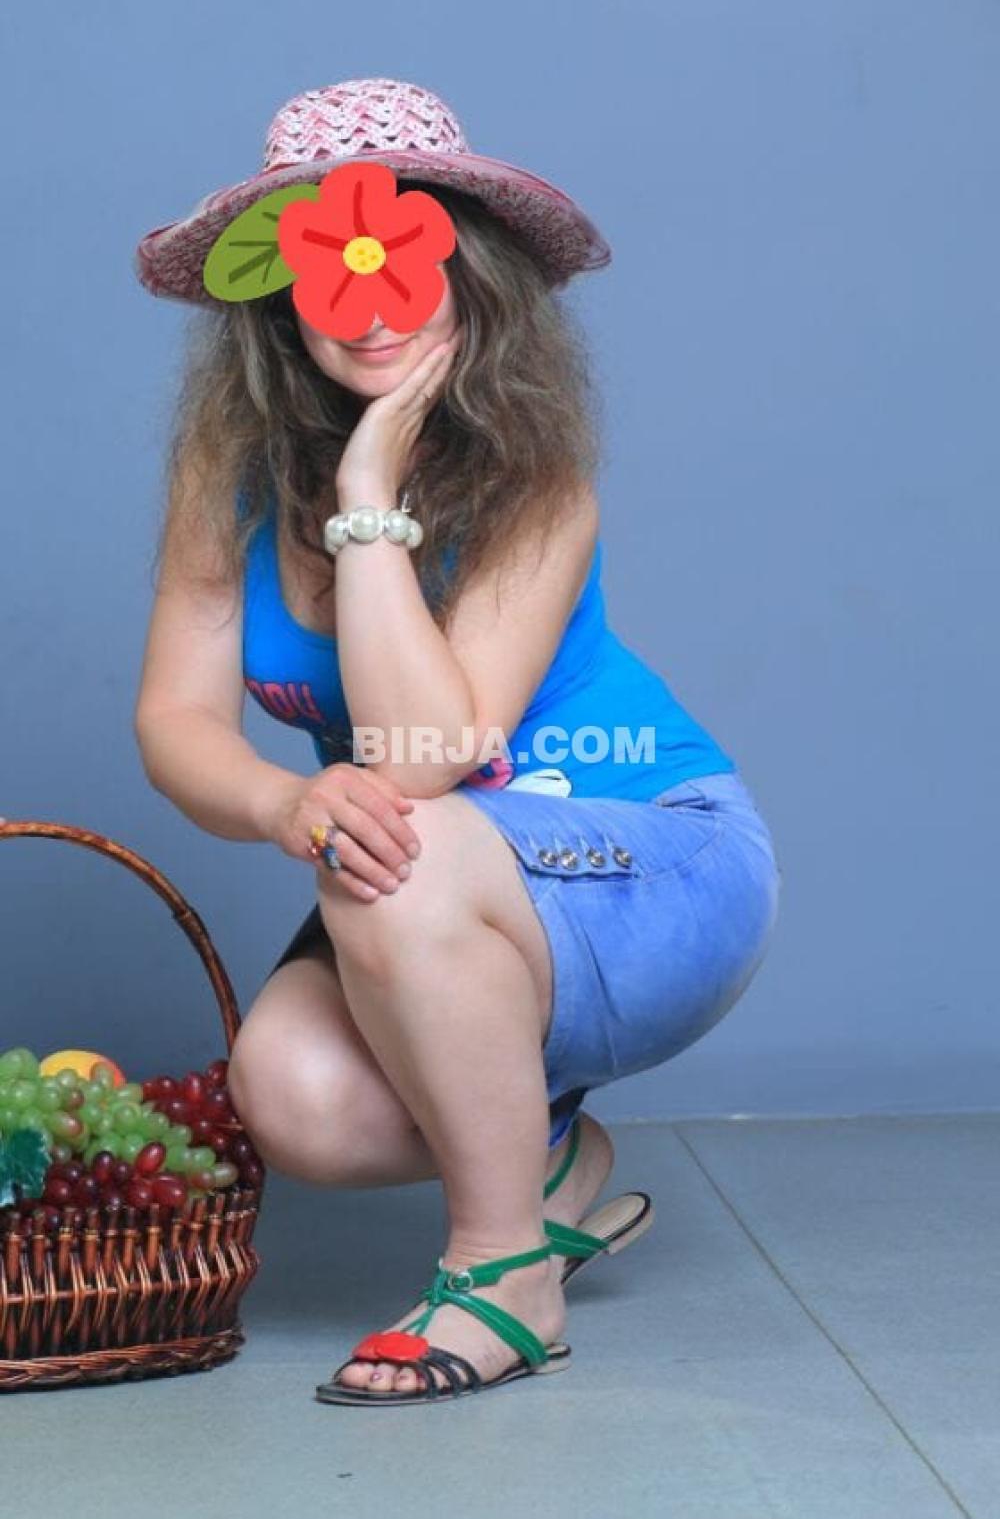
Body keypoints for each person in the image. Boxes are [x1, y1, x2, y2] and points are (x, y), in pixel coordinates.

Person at [132, 76, 782, 1407]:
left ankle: (505, 1271)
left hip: (655, 863)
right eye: (331, 265)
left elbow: (425, 751)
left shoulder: (542, 483)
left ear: (471, 275)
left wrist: (368, 497)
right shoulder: (231, 476)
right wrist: (281, 804)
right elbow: (176, 715)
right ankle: (547, 1157)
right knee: (293, 1089)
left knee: (398, 840)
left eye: (403, 257)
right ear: (280, 295)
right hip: (434, 880)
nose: (370, 298)